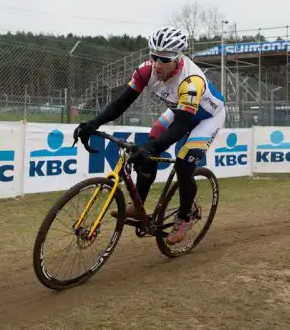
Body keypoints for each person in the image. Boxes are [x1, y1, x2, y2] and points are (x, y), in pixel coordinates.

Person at [73, 27, 226, 245]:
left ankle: (184, 217)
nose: (157, 64)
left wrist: (151, 148)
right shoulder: (146, 70)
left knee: (183, 166)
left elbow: (182, 125)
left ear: (177, 58)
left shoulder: (191, 81)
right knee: (149, 145)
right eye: (154, 56)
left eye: (163, 59)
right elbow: (121, 102)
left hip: (207, 117)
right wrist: (92, 123)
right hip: (179, 109)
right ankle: (138, 206)